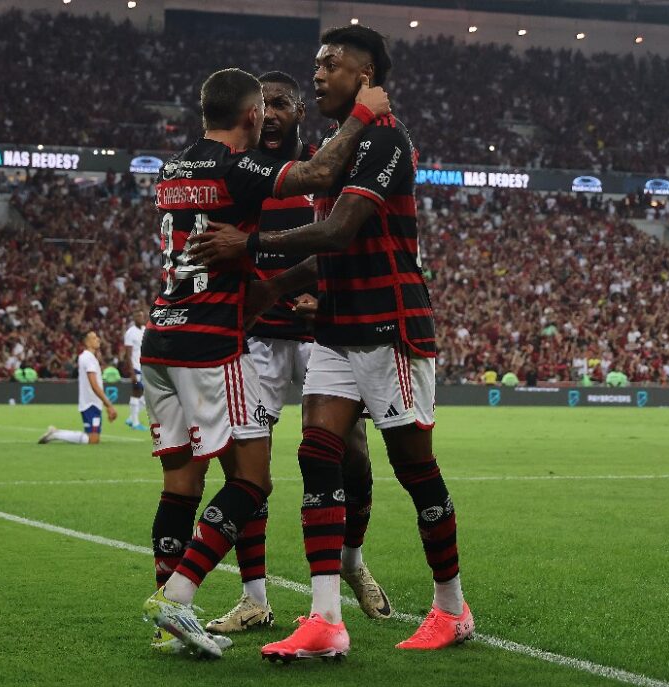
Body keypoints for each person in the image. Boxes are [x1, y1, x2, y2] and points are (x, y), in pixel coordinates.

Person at [189, 25, 474, 659]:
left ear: (366, 77)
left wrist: (251, 247)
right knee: (317, 454)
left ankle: (451, 608)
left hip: (389, 325)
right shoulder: (334, 147)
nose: (318, 73)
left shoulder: (386, 139)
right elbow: (324, 249)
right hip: (338, 330)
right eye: (316, 63)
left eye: (332, 65)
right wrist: (272, 286)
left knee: (414, 470)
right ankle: (324, 620)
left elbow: (342, 231)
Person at [141, 66, 390, 659]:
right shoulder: (255, 169)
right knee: (251, 480)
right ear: (253, 114)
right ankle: (198, 597)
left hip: (167, 336)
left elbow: (331, 218)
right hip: (224, 338)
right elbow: (319, 184)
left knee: (186, 484)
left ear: (299, 111)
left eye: (286, 103)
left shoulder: (177, 167)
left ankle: (173, 612)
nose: (272, 114)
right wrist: (364, 113)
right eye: (265, 104)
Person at [38, 332, 117, 445]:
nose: (98, 339)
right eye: (94, 338)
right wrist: (109, 405)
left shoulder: (89, 358)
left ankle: (55, 433)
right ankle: (55, 434)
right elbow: (94, 385)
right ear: (86, 342)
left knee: (93, 439)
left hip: (92, 403)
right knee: (93, 440)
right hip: (90, 403)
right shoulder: (87, 358)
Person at [123, 310, 148, 431]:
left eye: (142, 316)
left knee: (148, 395)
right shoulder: (130, 333)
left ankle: (131, 418)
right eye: (138, 315)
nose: (141, 318)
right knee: (136, 391)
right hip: (136, 368)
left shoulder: (145, 329)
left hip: (145, 367)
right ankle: (135, 423)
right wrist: (131, 371)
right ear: (134, 318)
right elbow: (128, 354)